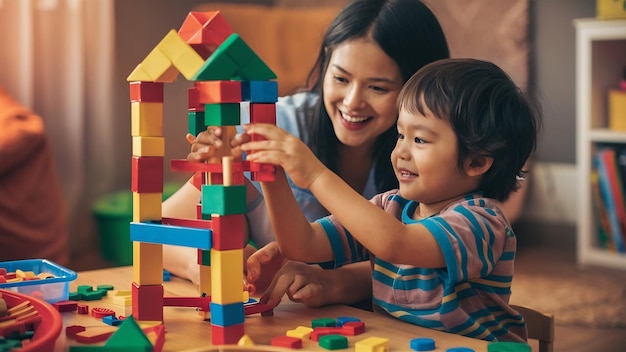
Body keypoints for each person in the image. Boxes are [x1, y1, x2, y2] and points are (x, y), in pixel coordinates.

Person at [240, 58, 541, 342]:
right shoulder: (390, 207)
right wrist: (271, 173)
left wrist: (316, 175)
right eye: (400, 136)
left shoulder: (481, 222)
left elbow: (395, 244)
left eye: (420, 140)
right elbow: (303, 244)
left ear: (476, 162)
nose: (401, 153)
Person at [162, 0, 450, 287]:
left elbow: (424, 261)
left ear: (419, 87)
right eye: (340, 78)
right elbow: (161, 228)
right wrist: (197, 264)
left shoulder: (436, 155)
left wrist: (336, 282)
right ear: (326, 62)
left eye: (378, 87)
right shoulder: (270, 128)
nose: (352, 102)